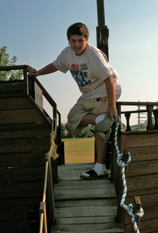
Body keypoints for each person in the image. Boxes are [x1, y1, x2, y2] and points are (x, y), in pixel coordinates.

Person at [27, 22, 122, 179]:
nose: (77, 45)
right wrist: (38, 73)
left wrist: (111, 106)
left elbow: (109, 79)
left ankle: (99, 168)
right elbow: (55, 65)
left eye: (81, 41)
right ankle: (102, 120)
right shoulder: (67, 53)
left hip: (104, 91)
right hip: (88, 93)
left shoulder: (93, 56)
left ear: (87, 40)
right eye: (73, 41)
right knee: (72, 117)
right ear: (68, 41)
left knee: (100, 129)